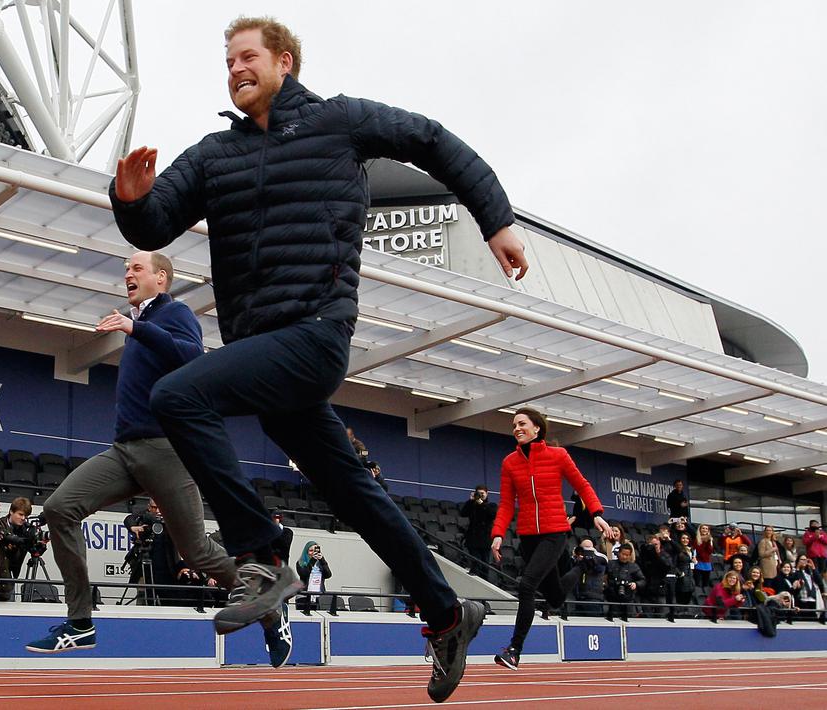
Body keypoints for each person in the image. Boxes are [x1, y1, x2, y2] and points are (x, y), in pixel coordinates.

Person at [109, 17, 525, 700]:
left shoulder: (338, 122)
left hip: (314, 333)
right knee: (353, 494)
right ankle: (449, 612)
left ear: (284, 61)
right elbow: (153, 223)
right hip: (260, 349)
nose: (235, 69)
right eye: (227, 61)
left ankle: (262, 552)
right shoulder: (215, 154)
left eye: (247, 57)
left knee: (178, 396)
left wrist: (495, 219)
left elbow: (430, 139)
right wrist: (128, 195)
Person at [27, 252, 285, 665]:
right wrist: (136, 328)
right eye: (126, 268)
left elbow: (192, 358)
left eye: (137, 268)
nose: (128, 273)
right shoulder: (141, 325)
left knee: (196, 551)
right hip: (125, 450)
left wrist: (136, 327)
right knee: (60, 508)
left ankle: (270, 606)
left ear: (161, 279)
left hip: (166, 450)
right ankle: (80, 624)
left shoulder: (174, 313)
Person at [489, 408, 614, 670]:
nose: (516, 429)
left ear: (537, 428)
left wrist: (597, 514)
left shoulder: (558, 455)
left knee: (527, 586)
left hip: (554, 532)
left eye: (522, 424)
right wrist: (498, 533)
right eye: (514, 425)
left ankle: (514, 650)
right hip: (528, 536)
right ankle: (584, 565)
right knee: (555, 598)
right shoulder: (509, 462)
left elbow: (582, 485)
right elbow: (505, 505)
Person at [459, 484, 497, 581]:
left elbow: (492, 514)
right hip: (473, 537)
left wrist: (480, 502)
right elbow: (463, 513)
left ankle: (485, 581)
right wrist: (470, 501)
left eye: (482, 494)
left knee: (485, 563)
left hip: (485, 539)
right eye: (478, 494)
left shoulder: (491, 505)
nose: (480, 496)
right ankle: (475, 578)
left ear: (487, 494)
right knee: (476, 561)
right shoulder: (472, 505)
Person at [603, 543, 644, 622]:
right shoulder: (610, 564)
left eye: (627, 555)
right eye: (623, 554)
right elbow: (603, 577)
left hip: (627, 599)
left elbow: (642, 580)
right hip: (612, 598)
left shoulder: (634, 566)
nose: (625, 557)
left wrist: (636, 584)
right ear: (619, 553)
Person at [295, 541, 331, 611]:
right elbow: (304, 574)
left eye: (315, 551)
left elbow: (328, 575)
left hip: (319, 596)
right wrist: (312, 561)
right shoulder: (301, 562)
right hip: (304, 596)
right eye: (311, 550)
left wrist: (322, 560)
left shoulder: (321, 563)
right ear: (306, 551)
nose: (313, 553)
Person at [692, 524, 715, 591]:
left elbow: (710, 551)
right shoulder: (696, 539)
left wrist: (709, 541)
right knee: (698, 582)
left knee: (706, 583)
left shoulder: (709, 540)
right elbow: (698, 551)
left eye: (706, 528)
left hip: (707, 563)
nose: (704, 530)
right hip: (698, 562)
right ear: (700, 530)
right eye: (703, 528)